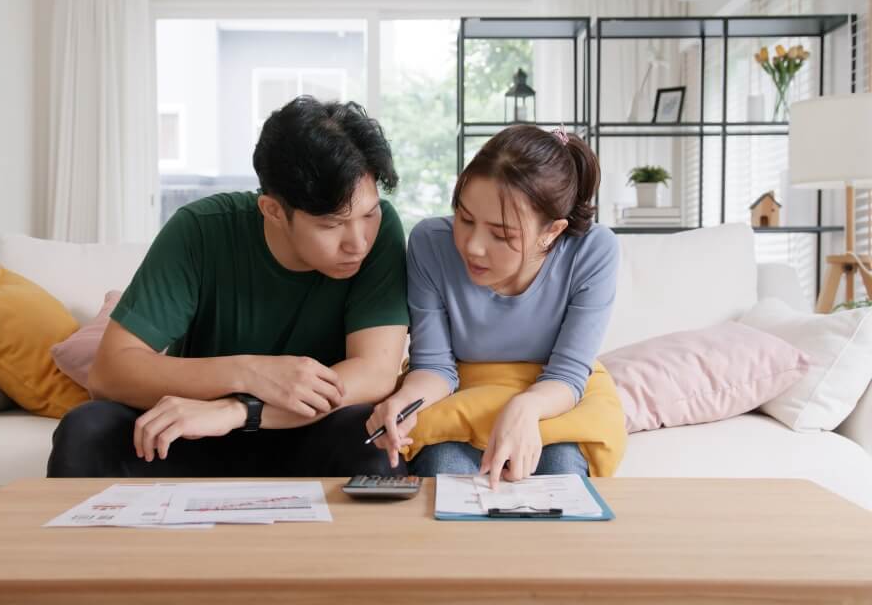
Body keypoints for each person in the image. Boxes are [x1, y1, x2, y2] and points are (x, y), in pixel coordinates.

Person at [47, 96, 410, 478]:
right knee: (85, 431)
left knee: (372, 446)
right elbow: (110, 373)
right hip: (193, 433)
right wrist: (249, 372)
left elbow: (374, 372)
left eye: (368, 214)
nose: (358, 242)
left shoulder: (381, 230)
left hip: (305, 431)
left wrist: (240, 411)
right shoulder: (201, 230)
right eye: (332, 225)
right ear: (272, 210)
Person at [366, 124, 621, 487]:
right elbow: (436, 367)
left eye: (501, 235)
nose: (472, 246)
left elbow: (567, 373)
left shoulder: (594, 251)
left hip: (555, 396)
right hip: (462, 395)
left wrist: (525, 408)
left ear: (552, 231)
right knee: (443, 466)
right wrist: (404, 402)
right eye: (465, 219)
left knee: (561, 467)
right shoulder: (430, 244)